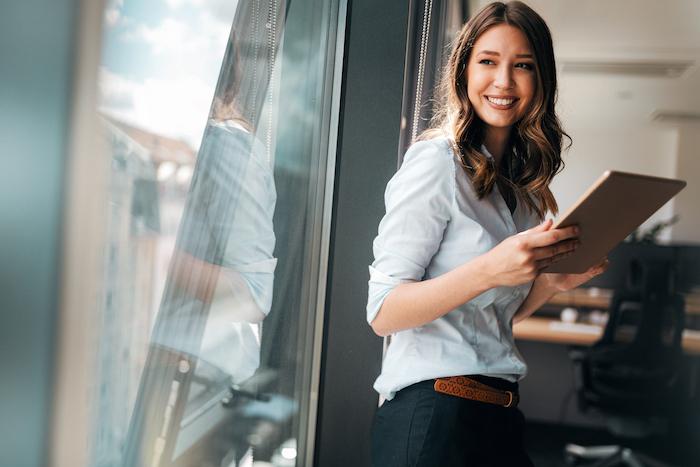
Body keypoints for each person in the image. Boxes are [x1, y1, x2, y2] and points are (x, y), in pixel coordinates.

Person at [367, 2, 608, 466]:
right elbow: (383, 313)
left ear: (541, 80)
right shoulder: (437, 162)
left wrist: (549, 284)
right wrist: (490, 270)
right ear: (464, 70)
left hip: (499, 415)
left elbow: (486, 324)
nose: (503, 81)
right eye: (488, 62)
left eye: (522, 66)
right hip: (434, 417)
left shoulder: (523, 187)